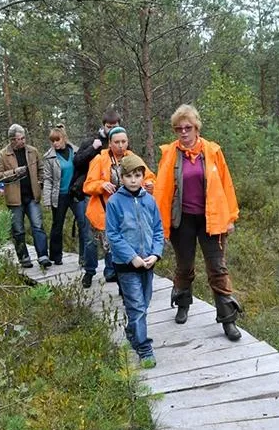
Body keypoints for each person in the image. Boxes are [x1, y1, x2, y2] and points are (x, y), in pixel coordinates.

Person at [153, 104, 243, 341]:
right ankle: (183, 304)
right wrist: (159, 225)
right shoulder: (170, 154)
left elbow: (226, 184)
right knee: (185, 266)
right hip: (181, 220)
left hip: (211, 219)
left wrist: (230, 217)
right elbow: (161, 191)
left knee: (218, 269)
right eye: (178, 128)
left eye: (188, 127)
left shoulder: (212, 151)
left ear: (196, 127)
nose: (183, 132)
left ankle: (228, 320)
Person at [106, 154, 164, 369]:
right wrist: (132, 257)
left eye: (137, 175)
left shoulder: (149, 200)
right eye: (128, 176)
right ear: (121, 177)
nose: (133, 180)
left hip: (148, 263)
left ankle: (132, 331)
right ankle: (144, 348)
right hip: (126, 265)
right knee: (137, 306)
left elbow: (158, 229)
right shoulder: (114, 202)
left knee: (144, 304)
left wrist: (156, 254)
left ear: (142, 176)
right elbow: (113, 235)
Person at [83, 126, 155, 283]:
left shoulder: (133, 158)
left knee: (117, 245)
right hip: (102, 210)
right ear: (110, 143)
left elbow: (148, 176)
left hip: (126, 213)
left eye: (123, 142)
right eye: (117, 142)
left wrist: (149, 183)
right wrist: (101, 185)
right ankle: (89, 272)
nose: (121, 145)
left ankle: (115, 275)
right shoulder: (100, 159)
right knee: (92, 243)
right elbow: (87, 186)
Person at [71, 109, 121, 287]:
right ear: (104, 126)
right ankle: (89, 271)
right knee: (90, 236)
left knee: (111, 234)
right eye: (109, 127)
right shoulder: (92, 141)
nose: (112, 129)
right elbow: (77, 162)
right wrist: (93, 148)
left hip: (113, 196)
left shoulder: (121, 142)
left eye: (115, 126)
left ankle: (110, 271)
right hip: (90, 193)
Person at [0, 124, 52, 269]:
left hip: (32, 196)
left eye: (23, 138)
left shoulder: (33, 151)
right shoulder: (2, 155)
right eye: (19, 139)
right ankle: (24, 257)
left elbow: (41, 169)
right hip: (14, 200)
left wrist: (40, 182)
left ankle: (43, 256)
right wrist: (14, 172)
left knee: (38, 226)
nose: (22, 141)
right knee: (18, 230)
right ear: (12, 140)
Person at [41, 124, 86, 268]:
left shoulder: (76, 151)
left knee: (83, 223)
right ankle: (56, 256)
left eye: (57, 140)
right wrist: (47, 199)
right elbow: (47, 179)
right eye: (52, 141)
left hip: (75, 193)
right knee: (57, 225)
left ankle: (83, 257)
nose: (55, 143)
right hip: (59, 195)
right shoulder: (49, 157)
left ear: (64, 139)